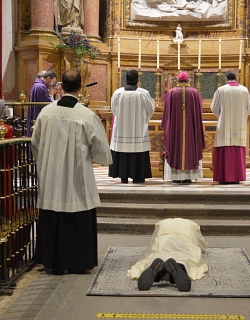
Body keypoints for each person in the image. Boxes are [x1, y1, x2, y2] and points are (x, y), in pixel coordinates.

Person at [31, 70, 112, 275]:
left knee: (53, 211)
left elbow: (35, 144)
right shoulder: (86, 116)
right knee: (77, 211)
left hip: (51, 178)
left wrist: (48, 160)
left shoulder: (46, 113)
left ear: (61, 87)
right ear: (80, 86)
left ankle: (52, 261)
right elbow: (102, 151)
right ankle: (78, 262)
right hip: (77, 177)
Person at [127, 218, 208, 292]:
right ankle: (180, 267)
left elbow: (153, 240)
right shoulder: (193, 225)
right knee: (187, 258)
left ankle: (158, 271)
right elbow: (202, 244)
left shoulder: (161, 223)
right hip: (184, 241)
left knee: (156, 254)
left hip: (163, 239)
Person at [109, 69, 155, 184]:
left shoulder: (118, 93)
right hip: (138, 130)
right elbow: (150, 110)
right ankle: (138, 176)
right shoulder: (143, 93)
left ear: (125, 79)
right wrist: (143, 120)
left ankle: (122, 175)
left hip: (122, 129)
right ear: (138, 80)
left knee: (122, 149)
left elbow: (114, 110)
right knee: (138, 149)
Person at [161, 71, 205, 184]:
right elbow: (199, 111)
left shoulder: (171, 93)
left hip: (175, 129)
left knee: (175, 144)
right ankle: (188, 176)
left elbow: (166, 112)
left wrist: (166, 125)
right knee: (190, 144)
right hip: (191, 128)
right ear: (188, 80)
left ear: (177, 81)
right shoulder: (195, 93)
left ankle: (176, 176)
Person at [210, 70, 250, 184]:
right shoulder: (244, 90)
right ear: (236, 78)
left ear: (226, 79)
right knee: (237, 148)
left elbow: (214, 107)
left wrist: (222, 115)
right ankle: (236, 177)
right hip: (240, 124)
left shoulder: (221, 90)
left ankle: (225, 177)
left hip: (225, 124)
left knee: (225, 146)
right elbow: (248, 108)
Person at [26, 70, 57, 137]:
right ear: (48, 78)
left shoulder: (37, 85)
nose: (52, 84)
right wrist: (52, 97)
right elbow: (48, 103)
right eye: (53, 81)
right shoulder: (40, 87)